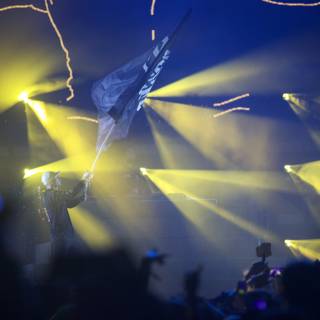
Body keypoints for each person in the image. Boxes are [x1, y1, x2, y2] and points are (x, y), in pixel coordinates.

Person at [38, 171, 93, 256]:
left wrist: (82, 198)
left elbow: (68, 204)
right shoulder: (51, 195)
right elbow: (71, 194)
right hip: (61, 236)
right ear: (51, 181)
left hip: (62, 234)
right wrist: (83, 180)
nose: (59, 179)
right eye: (56, 178)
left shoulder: (52, 195)